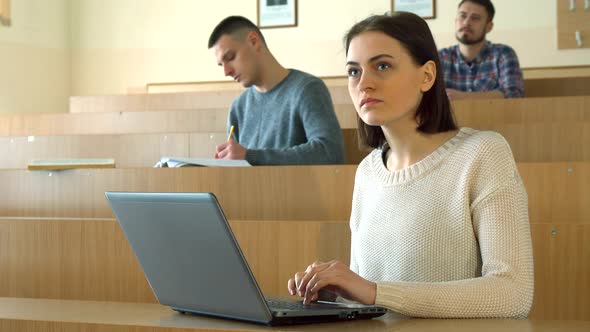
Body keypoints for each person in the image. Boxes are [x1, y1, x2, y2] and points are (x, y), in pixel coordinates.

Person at [287, 13, 534, 318]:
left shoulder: (483, 153)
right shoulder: (367, 172)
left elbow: (513, 294)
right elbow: (371, 301)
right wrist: (335, 295)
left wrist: (376, 291)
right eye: (354, 71)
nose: (364, 83)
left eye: (382, 66)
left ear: (427, 76)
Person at [208, 16, 345, 165]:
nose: (226, 72)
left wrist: (250, 156)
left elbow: (330, 152)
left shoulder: (307, 89)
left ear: (253, 41)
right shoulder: (238, 107)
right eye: (222, 65)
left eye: (230, 57)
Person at [439, 0, 524, 100]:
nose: (466, 22)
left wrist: (463, 97)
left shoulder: (503, 54)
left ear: (489, 27)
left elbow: (513, 94)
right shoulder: (439, 57)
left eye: (475, 18)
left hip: (494, 116)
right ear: (455, 20)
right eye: (462, 16)